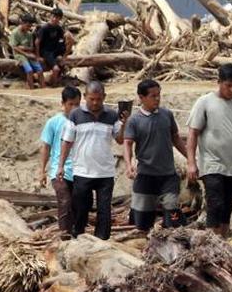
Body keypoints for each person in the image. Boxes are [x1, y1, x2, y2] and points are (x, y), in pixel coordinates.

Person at [186, 63, 232, 237]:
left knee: (227, 207)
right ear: (219, 82)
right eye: (228, 85)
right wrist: (191, 163)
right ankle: (211, 242)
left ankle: (222, 242)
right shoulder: (205, 102)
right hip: (211, 163)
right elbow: (193, 133)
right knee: (215, 204)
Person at [57, 81, 127, 240]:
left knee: (104, 210)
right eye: (91, 99)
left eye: (99, 99)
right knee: (81, 208)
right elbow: (67, 142)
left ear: (104, 97)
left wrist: (124, 123)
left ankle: (102, 240)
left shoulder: (111, 115)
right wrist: (60, 166)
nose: (95, 103)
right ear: (85, 97)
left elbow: (120, 140)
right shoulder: (75, 115)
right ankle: (78, 237)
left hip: (105, 172)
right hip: (82, 171)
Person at [122, 79, 185, 232]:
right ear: (141, 98)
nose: (157, 99)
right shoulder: (134, 121)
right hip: (145, 176)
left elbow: (176, 138)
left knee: (173, 213)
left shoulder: (167, 115)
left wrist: (190, 159)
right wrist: (129, 165)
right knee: (142, 223)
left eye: (158, 95)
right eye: (152, 96)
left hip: (168, 175)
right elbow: (127, 144)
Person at [38, 86, 82, 235]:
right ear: (62, 103)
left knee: (78, 204)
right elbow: (46, 147)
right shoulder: (54, 122)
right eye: (71, 104)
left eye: (77, 104)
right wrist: (42, 171)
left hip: (80, 170)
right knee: (64, 201)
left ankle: (76, 234)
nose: (74, 108)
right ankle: (65, 235)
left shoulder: (83, 122)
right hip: (59, 170)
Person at [35, 8, 73, 86]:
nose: (55, 19)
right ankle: (54, 84)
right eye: (53, 16)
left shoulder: (58, 28)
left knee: (70, 38)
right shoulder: (44, 28)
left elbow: (63, 38)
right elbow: (37, 42)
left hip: (55, 49)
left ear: (60, 19)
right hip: (46, 51)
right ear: (50, 16)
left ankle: (63, 59)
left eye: (57, 18)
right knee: (56, 69)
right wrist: (38, 56)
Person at [9, 14, 44, 90]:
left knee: (40, 70)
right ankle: (31, 89)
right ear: (22, 23)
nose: (29, 28)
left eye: (30, 26)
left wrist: (23, 47)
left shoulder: (29, 34)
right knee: (29, 70)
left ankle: (43, 88)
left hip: (29, 53)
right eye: (27, 26)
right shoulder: (15, 33)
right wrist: (25, 53)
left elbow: (31, 48)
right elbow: (14, 47)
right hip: (19, 55)